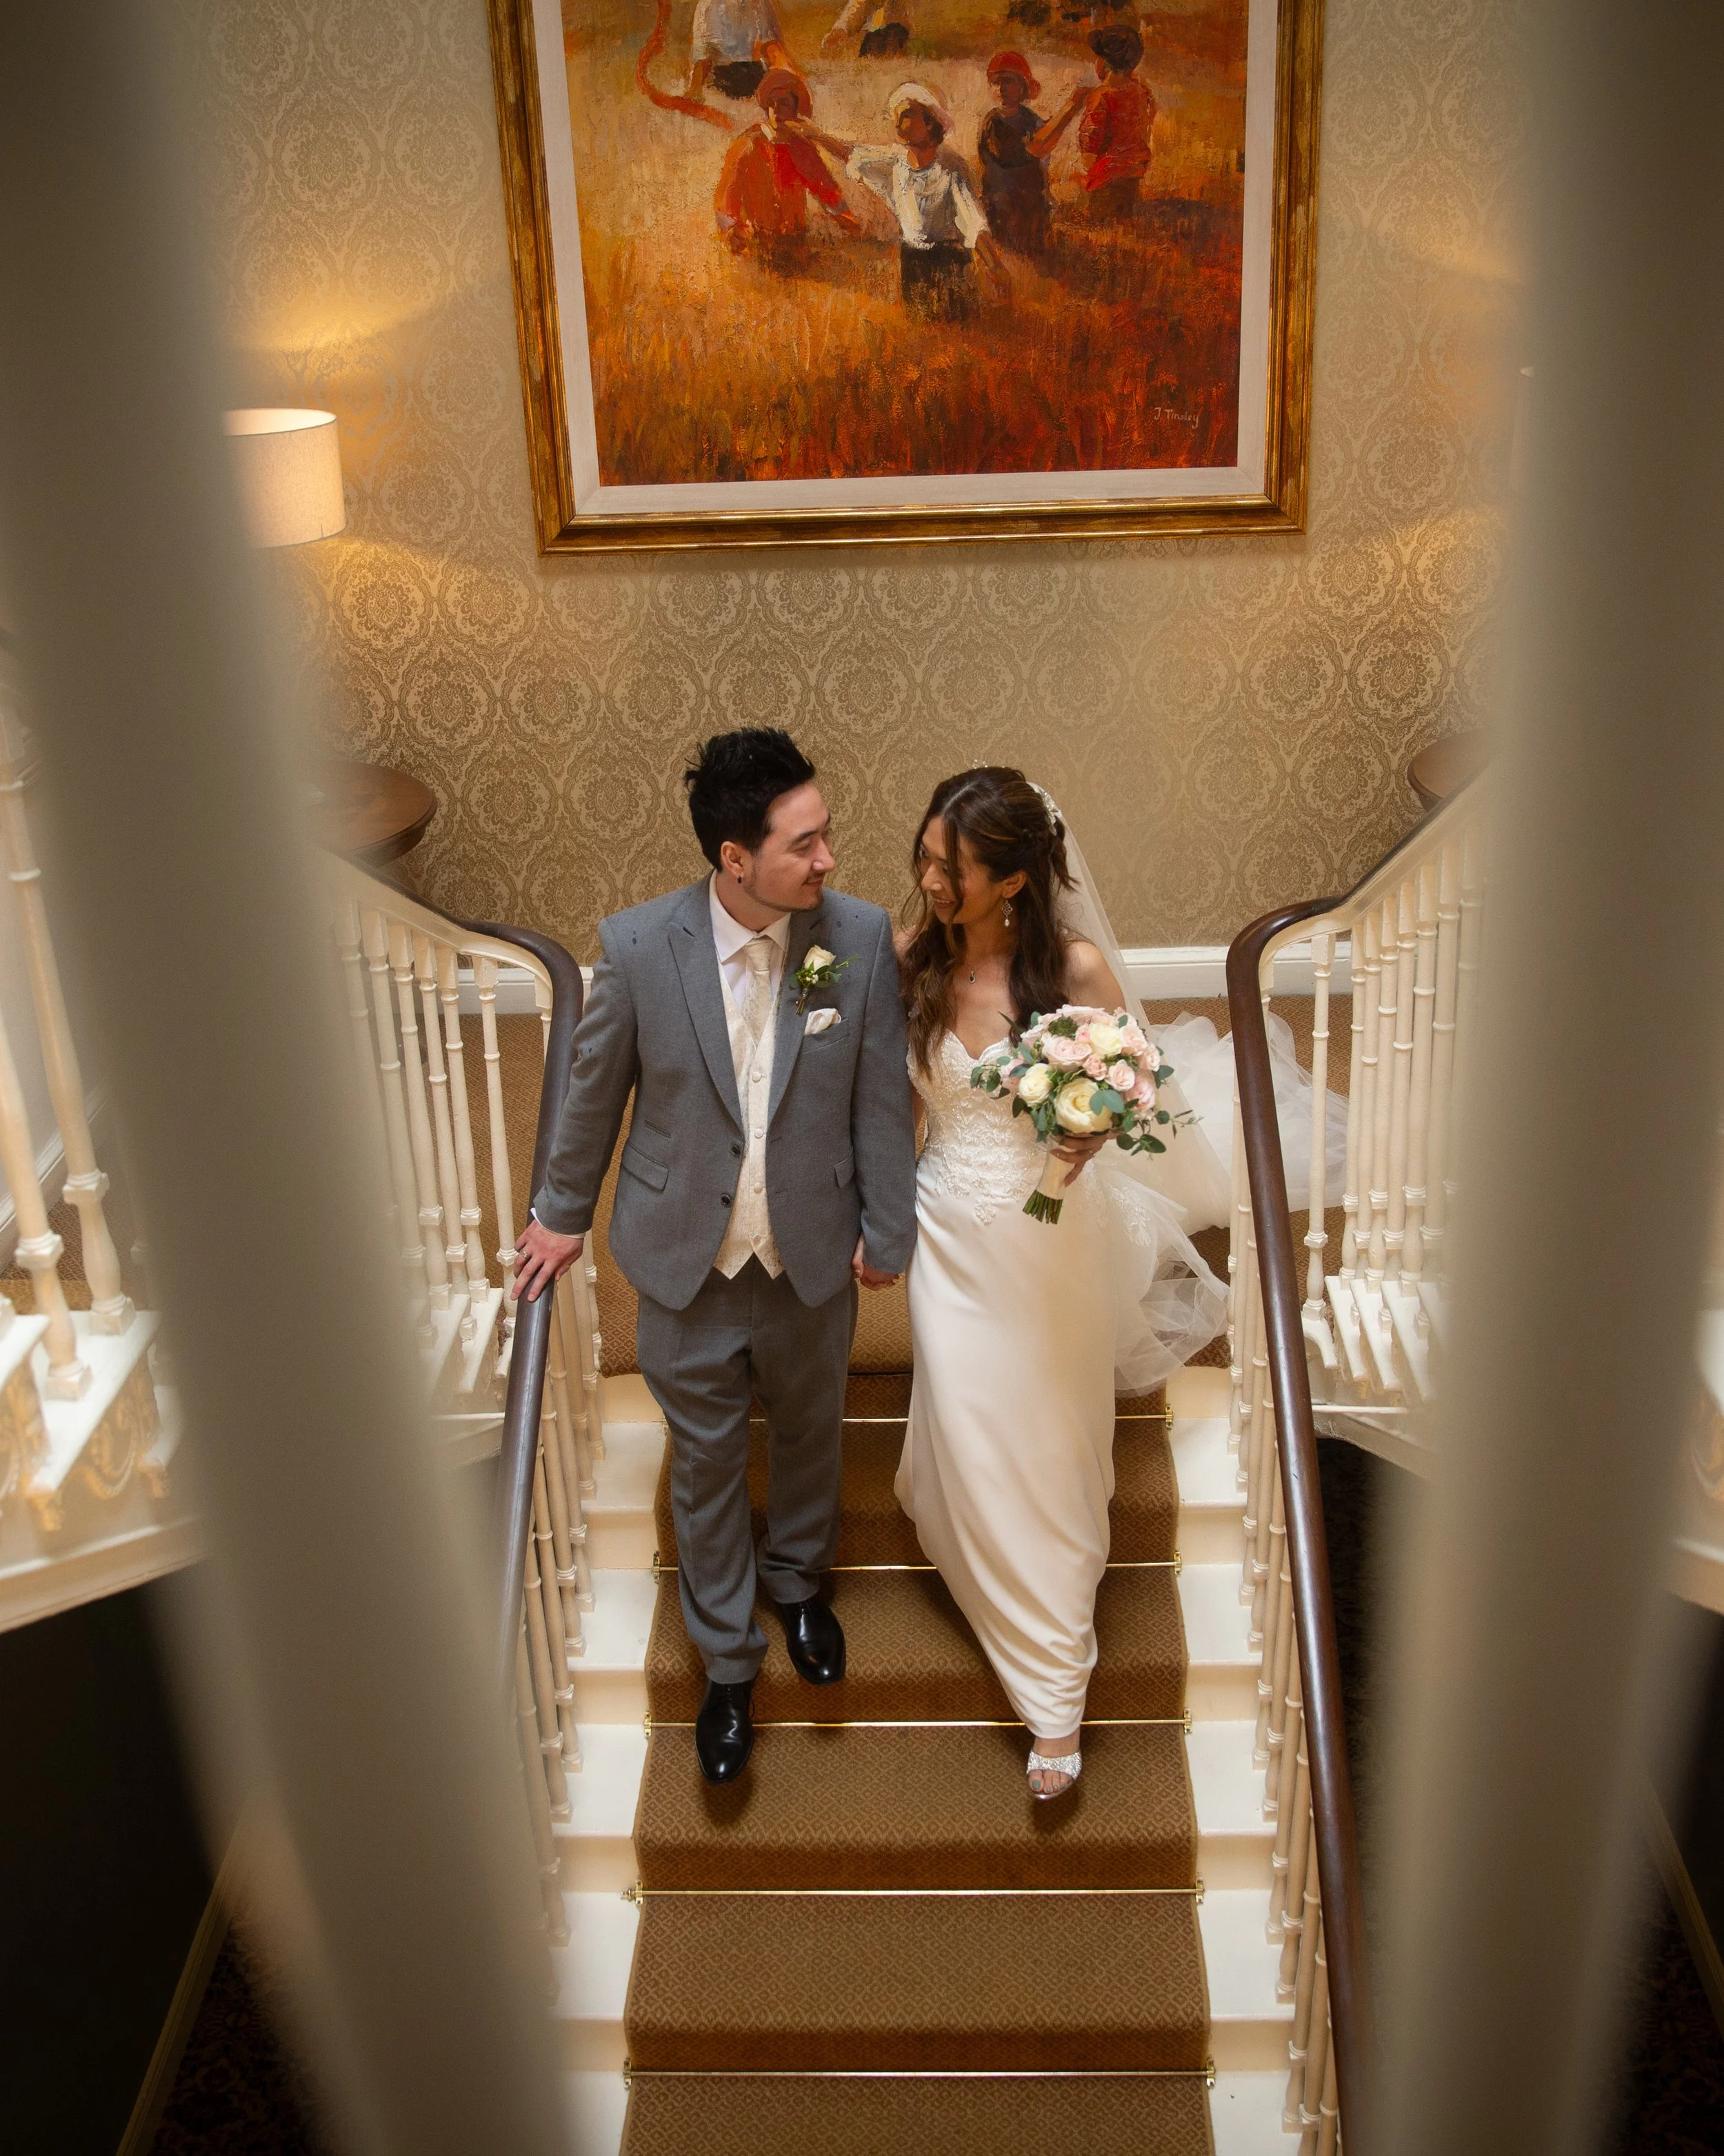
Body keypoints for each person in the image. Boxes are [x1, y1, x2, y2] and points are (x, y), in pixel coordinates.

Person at [513, 730, 918, 1788]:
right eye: (803, 843)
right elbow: (594, 1092)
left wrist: (889, 1223)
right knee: (703, 1461)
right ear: (736, 858)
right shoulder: (639, 947)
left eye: (826, 833)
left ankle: (799, 1582)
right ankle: (729, 1657)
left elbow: (880, 1093)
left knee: (811, 1428)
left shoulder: (857, 937)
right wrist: (560, 1210)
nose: (828, 857)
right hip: (684, 1252)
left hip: (810, 1244)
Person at [892, 769, 1225, 1798]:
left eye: (953, 867)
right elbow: (889, 1098)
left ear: (1014, 881)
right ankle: (970, 1537)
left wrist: (1090, 1131)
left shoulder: (1073, 969)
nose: (930, 880)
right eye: (927, 857)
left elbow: (1132, 1091)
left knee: (1048, 1437)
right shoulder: (912, 958)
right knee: (964, 1410)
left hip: (1052, 1234)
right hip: (946, 1225)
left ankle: (1053, 1687)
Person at [791, 83, 1012, 318]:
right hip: (913, 261)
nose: (898, 123)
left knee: (956, 325)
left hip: (949, 262)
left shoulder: (951, 167)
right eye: (897, 117)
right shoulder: (896, 162)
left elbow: (972, 222)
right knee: (919, 324)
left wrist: (995, 267)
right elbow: (851, 155)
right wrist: (817, 136)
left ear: (929, 122)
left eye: (906, 115)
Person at [714, 69, 860, 260]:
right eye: (772, 104)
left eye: (784, 104)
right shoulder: (747, 146)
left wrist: (851, 226)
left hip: (795, 243)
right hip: (755, 244)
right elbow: (727, 195)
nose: (776, 110)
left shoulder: (801, 148)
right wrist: (732, 229)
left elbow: (827, 191)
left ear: (795, 111)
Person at [1028, 24, 1155, 219]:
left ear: (1104, 61)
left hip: (1105, 178)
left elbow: (1090, 144)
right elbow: (1147, 121)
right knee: (1122, 219)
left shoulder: (1101, 96)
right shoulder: (1140, 91)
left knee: (1102, 221)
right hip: (1134, 173)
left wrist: (1085, 170)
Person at [976, 50, 1051, 257]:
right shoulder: (993, 123)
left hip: (1031, 202)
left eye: (1008, 81)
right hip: (1001, 204)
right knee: (1009, 255)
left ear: (1023, 86)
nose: (1001, 88)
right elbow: (1013, 155)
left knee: (1034, 257)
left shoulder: (1032, 119)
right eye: (996, 82)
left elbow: (1043, 157)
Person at [686, 0, 790, 105]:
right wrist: (695, 92)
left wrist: (790, 79)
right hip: (719, 83)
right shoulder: (707, 5)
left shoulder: (760, 3)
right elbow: (703, 60)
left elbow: (772, 48)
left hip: (756, 79)